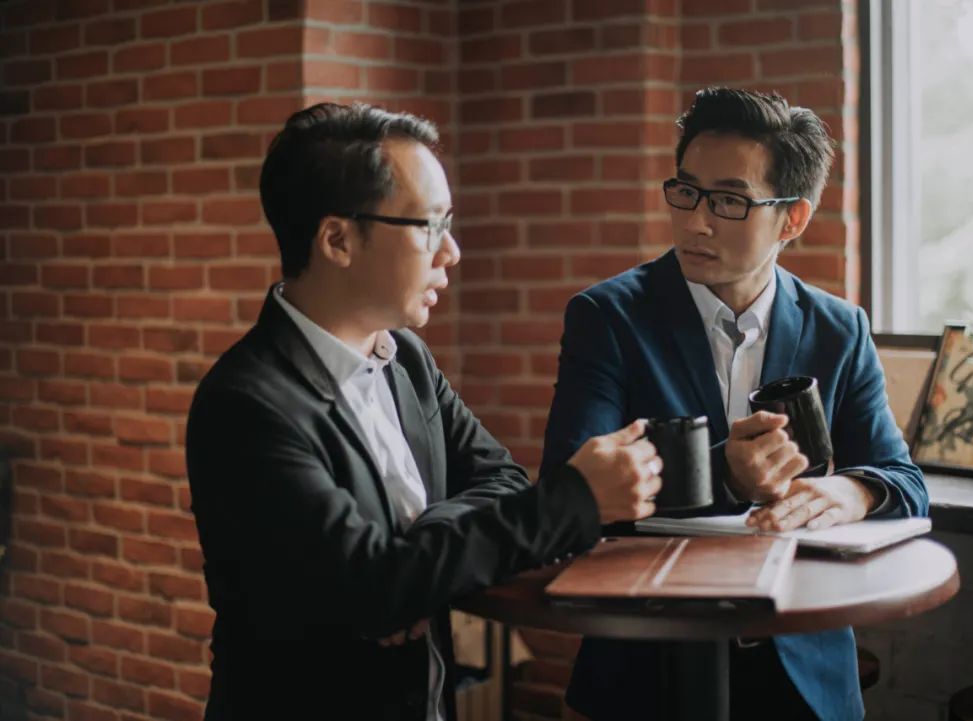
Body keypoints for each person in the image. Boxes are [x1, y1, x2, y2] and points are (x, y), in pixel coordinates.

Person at [184, 102, 664, 721]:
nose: (452, 252)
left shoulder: (406, 358)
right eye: (430, 226)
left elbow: (500, 479)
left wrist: (418, 556)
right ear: (337, 240)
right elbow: (373, 592)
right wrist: (573, 499)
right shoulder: (246, 406)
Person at [541, 87, 930, 721]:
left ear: (793, 219)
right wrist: (724, 473)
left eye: (729, 201)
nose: (696, 222)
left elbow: (904, 481)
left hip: (803, 668)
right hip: (647, 666)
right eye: (687, 192)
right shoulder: (608, 318)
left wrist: (849, 492)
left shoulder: (839, 329)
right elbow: (568, 491)